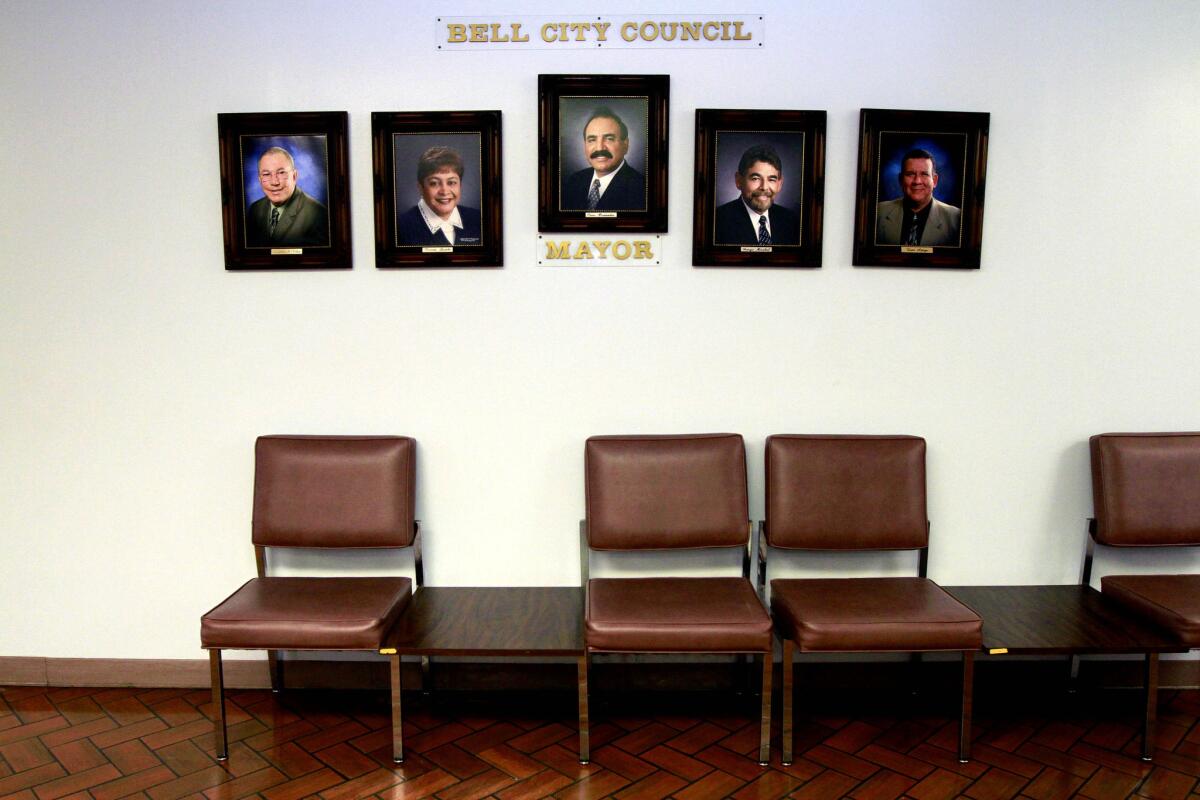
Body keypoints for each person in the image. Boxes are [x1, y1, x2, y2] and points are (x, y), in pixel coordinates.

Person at [561, 107, 645, 211]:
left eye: (609, 139)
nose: (600, 147)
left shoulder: (642, 189)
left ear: (625, 145)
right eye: (592, 140)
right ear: (585, 145)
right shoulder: (574, 181)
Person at [714, 144, 800, 246]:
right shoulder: (717, 221)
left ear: (779, 184)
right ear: (738, 181)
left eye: (771, 179)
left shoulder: (792, 221)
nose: (764, 187)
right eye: (755, 178)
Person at [396, 146, 482, 246]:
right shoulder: (400, 228)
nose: (444, 191)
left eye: (451, 182)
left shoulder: (478, 219)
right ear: (420, 187)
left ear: (460, 185)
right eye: (434, 183)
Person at [245, 146, 329, 247]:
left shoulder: (318, 214)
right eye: (266, 174)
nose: (275, 182)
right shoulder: (255, 209)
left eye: (281, 173)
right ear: (260, 179)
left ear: (294, 176)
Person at [875, 148, 961, 246]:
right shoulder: (878, 213)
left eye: (924, 174)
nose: (917, 181)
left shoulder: (956, 219)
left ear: (935, 181)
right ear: (900, 180)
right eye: (910, 174)